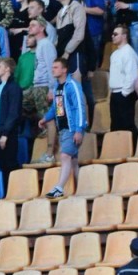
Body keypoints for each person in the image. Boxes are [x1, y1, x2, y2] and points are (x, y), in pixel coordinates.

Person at [40, 57, 88, 198]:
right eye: (53, 67)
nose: (53, 70)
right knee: (73, 161)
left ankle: (59, 188)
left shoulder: (72, 85)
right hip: (62, 129)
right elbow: (56, 107)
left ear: (64, 69)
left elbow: (80, 108)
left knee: (65, 156)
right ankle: (81, 189)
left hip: (71, 128)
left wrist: (79, 130)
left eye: (56, 67)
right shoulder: (57, 87)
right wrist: (45, 118)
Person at [23, 18, 58, 162]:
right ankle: (40, 129)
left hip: (44, 86)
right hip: (36, 85)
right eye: (29, 24)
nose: (30, 27)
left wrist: (52, 89)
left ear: (42, 28)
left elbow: (52, 68)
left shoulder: (46, 44)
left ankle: (50, 154)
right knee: (19, 102)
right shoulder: (39, 45)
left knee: (49, 118)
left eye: (33, 25)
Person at [0, 57, 22, 184]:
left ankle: (15, 190)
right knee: (1, 164)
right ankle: (5, 191)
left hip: (8, 132)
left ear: (7, 69)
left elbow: (13, 112)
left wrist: (5, 134)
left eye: (0, 66)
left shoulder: (14, 87)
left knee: (10, 164)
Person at [108, 24, 138, 133]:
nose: (112, 36)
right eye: (113, 34)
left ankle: (132, 144)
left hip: (124, 93)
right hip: (115, 93)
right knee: (115, 126)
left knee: (127, 125)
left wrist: (124, 93)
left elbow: (131, 75)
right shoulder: (114, 54)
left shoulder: (129, 52)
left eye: (116, 34)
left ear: (124, 36)